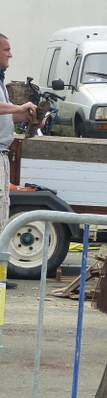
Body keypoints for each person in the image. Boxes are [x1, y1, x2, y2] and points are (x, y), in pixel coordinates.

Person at [1, 33, 38, 291]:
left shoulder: (0, 81)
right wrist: (16, 107)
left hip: (2, 154)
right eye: (6, 50)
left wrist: (26, 116)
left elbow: (4, 116)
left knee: (2, 217)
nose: (10, 55)